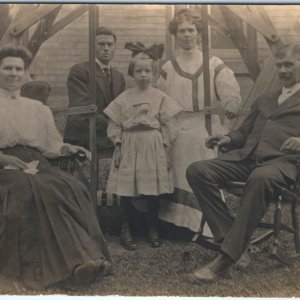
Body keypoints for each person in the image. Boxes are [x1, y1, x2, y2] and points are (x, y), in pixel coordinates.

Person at [185, 42, 300, 283]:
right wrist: (228, 137)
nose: (282, 70)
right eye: (279, 65)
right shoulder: (266, 99)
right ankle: (233, 240)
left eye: (289, 64)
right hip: (246, 158)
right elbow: (244, 133)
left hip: (280, 164)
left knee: (261, 177)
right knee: (197, 170)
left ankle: (224, 260)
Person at [0, 44, 111, 289]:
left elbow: (50, 144)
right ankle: (68, 265)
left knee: (69, 186)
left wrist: (67, 149)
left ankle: (86, 259)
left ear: (25, 73)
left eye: (19, 69)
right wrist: (3, 159)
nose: (13, 73)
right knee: (28, 189)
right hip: (3, 166)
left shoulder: (37, 109)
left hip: (36, 162)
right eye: (7, 67)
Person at [157, 8, 242, 235]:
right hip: (177, 126)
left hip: (205, 125)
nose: (186, 35)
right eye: (182, 31)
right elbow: (159, 99)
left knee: (202, 157)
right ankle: (177, 225)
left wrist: (231, 100)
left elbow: (229, 88)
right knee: (177, 164)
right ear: (175, 34)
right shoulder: (168, 68)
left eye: (191, 30)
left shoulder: (213, 63)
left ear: (198, 34)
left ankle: (205, 224)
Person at [104, 42, 182, 250]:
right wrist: (118, 146)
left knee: (152, 191)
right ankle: (126, 229)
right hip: (129, 144)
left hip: (152, 144)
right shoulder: (124, 98)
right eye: (138, 71)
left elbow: (170, 126)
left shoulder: (160, 97)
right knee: (127, 190)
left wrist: (165, 148)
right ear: (132, 73)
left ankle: (152, 228)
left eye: (147, 71)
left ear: (154, 73)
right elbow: (114, 125)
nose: (143, 75)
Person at [64, 26, 126, 158]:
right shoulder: (80, 71)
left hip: (109, 136)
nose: (106, 48)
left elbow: (122, 109)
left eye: (110, 44)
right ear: (92, 47)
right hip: (86, 136)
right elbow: (82, 110)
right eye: (101, 44)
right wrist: (115, 127)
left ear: (115, 47)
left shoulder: (118, 76)